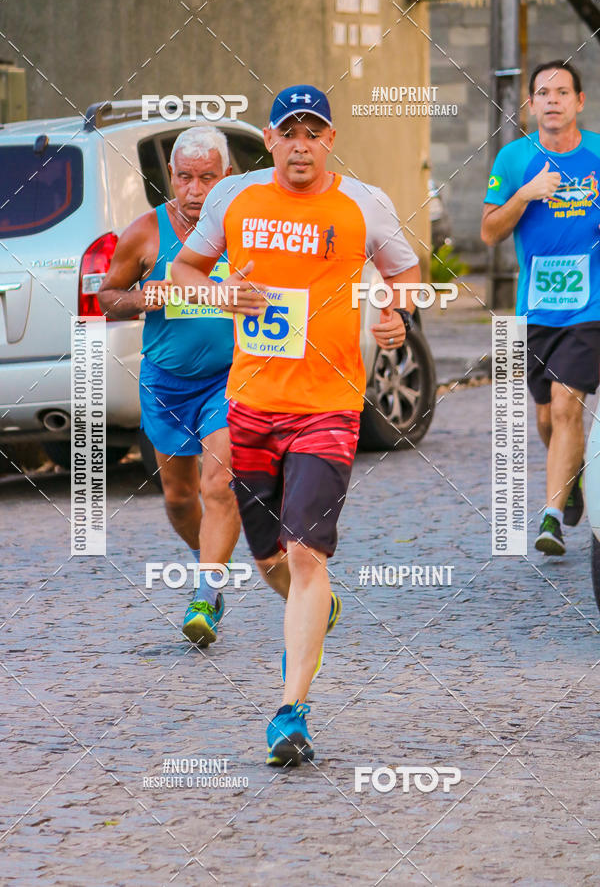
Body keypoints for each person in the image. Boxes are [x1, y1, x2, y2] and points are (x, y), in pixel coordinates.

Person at [171, 84, 420, 766]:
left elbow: (406, 272)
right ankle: (315, 611)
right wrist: (223, 292)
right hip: (251, 404)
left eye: (315, 132)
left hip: (329, 407)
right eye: (290, 132)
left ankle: (291, 711)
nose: (302, 144)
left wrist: (396, 317)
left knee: (308, 555)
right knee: (270, 560)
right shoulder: (233, 199)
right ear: (270, 138)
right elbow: (182, 268)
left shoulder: (364, 203)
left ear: (330, 140)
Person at [99, 126, 245, 645]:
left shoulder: (243, 228)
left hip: (229, 380)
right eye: (185, 177)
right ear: (171, 178)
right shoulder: (145, 233)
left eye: (207, 177)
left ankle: (206, 591)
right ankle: (209, 560)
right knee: (181, 499)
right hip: (165, 383)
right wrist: (142, 300)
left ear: (226, 177)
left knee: (217, 485)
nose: (195, 190)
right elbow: (106, 295)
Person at [481, 60, 600, 556]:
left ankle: (549, 518)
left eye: (562, 92)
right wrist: (526, 195)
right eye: (543, 93)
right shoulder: (513, 160)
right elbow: (489, 232)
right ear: (531, 105)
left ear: (579, 102)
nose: (552, 100)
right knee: (548, 415)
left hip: (590, 307)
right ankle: (569, 480)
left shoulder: (597, 153)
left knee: (569, 401)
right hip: (535, 310)